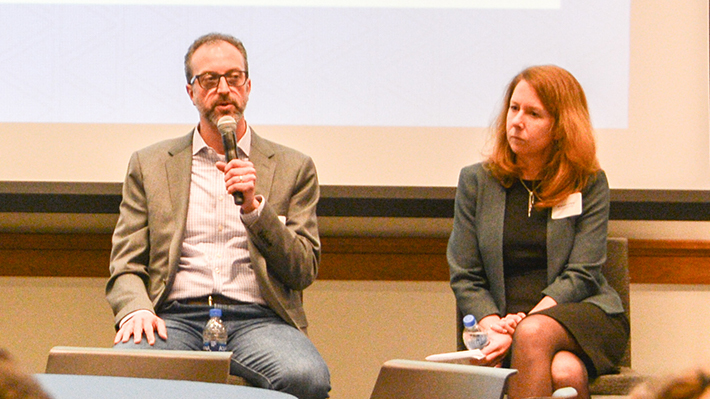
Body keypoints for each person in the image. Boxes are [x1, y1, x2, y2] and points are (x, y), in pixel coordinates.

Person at [106, 32, 330, 399]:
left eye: (234, 77)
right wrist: (135, 310)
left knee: (306, 377)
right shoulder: (150, 164)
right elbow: (126, 264)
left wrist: (255, 209)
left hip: (260, 319)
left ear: (248, 85)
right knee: (126, 371)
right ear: (191, 92)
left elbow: (303, 269)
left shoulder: (293, 167)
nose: (224, 89)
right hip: (173, 318)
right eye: (209, 80)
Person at [447, 65, 629, 399]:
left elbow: (583, 273)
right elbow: (465, 273)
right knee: (565, 372)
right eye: (514, 109)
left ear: (560, 127)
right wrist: (491, 324)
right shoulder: (476, 182)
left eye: (534, 114)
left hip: (582, 315)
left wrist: (523, 325)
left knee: (533, 334)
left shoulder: (588, 183)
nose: (517, 121)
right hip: (499, 323)